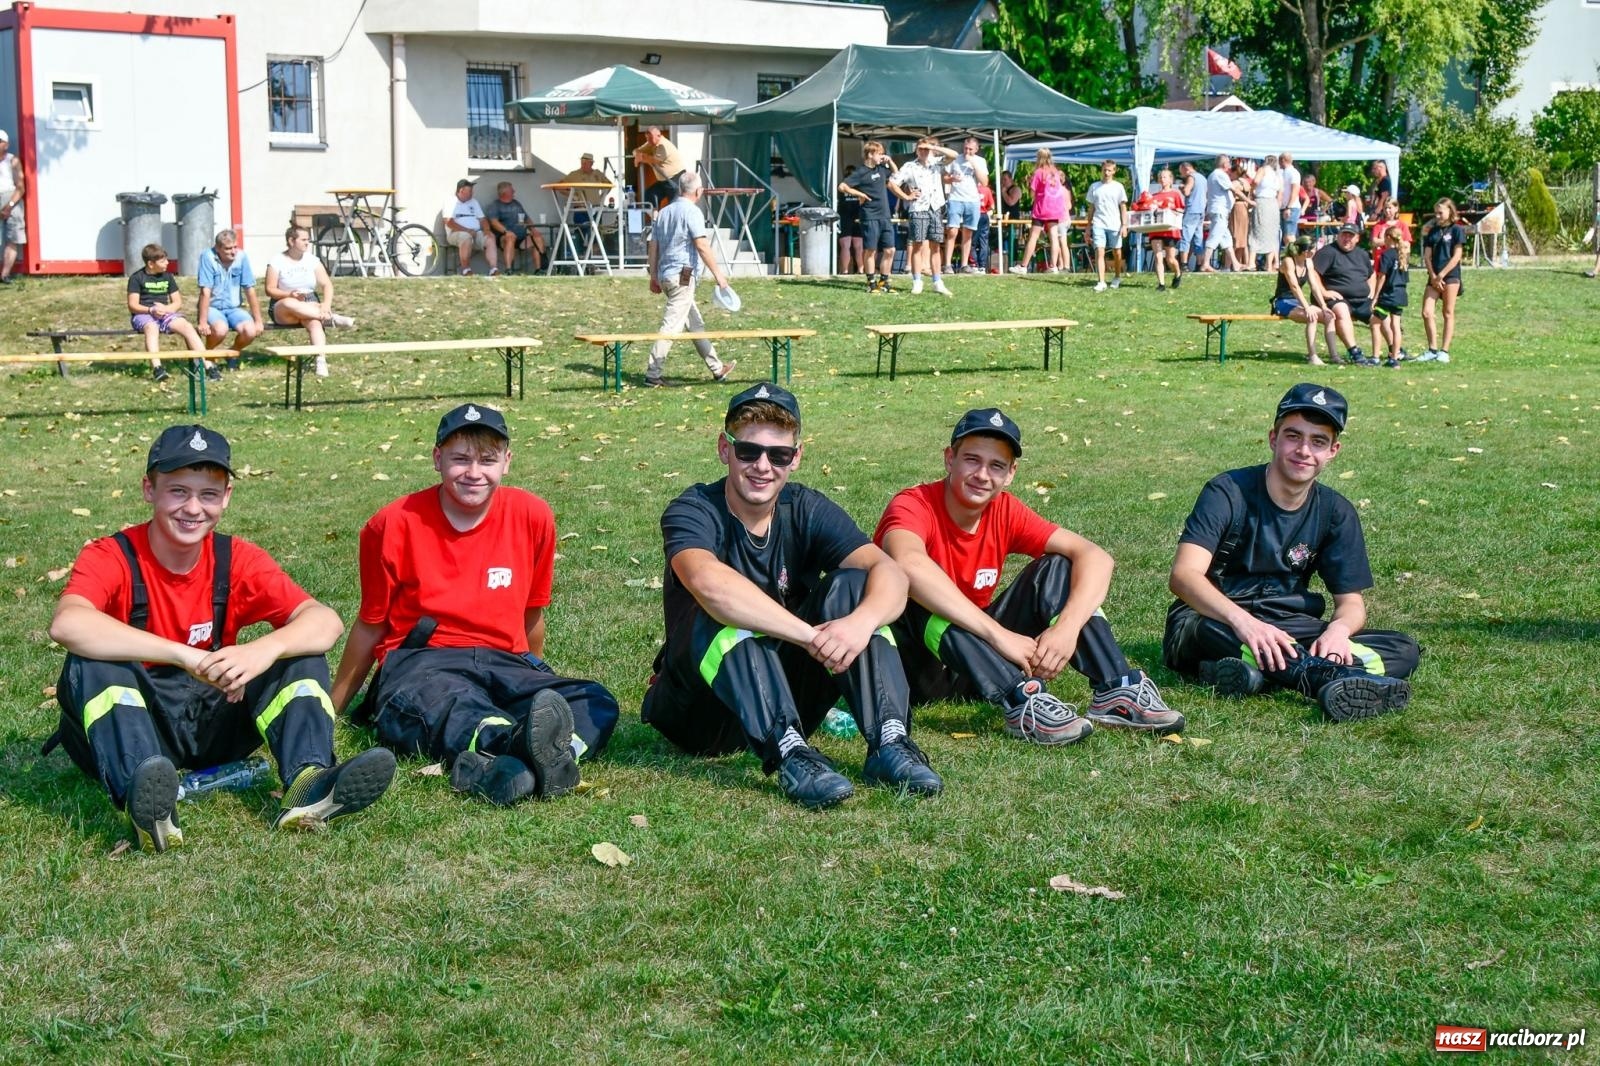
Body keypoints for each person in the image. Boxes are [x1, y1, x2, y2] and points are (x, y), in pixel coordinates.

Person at [48, 424, 396, 851]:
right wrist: (185, 656)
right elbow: (68, 624)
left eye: (208, 495)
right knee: (92, 661)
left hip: (213, 720)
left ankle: (309, 784)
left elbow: (324, 621)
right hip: (135, 730)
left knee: (299, 652)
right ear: (148, 490)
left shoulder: (237, 558)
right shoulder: (111, 555)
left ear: (226, 497)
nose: (193, 508)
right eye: (178, 491)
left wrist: (262, 650)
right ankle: (146, 802)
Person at [642, 384, 943, 808]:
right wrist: (810, 636)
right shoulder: (693, 509)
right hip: (703, 714)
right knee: (720, 611)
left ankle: (890, 743)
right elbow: (709, 583)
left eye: (778, 455)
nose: (763, 466)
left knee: (854, 588)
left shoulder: (805, 508)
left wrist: (858, 624)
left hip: (786, 689)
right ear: (724, 449)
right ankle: (791, 753)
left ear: (795, 458)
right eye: (748, 451)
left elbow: (890, 572)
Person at [330, 404, 620, 806]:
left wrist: (535, 683)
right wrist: (331, 709)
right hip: (424, 664)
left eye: (487, 459)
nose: (473, 472)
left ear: (507, 462)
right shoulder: (391, 524)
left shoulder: (533, 515)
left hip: (503, 659)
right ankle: (517, 748)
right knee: (454, 706)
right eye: (460, 459)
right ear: (437, 459)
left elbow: (532, 612)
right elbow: (371, 625)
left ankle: (539, 758)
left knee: (596, 700)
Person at [875, 408, 1185, 745]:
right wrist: (998, 635)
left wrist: (1066, 628)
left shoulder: (1004, 509)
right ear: (949, 459)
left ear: (1011, 474)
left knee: (1058, 567)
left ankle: (1116, 689)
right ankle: (1022, 700)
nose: (982, 475)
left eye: (996, 466)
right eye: (971, 460)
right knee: (915, 594)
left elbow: (1096, 557)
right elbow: (907, 563)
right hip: (917, 671)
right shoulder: (913, 504)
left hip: (975, 665)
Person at [1164, 384, 1418, 721]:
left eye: (1318, 441)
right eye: (1293, 436)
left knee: (1404, 648)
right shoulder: (1227, 491)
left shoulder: (1336, 511)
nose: (1304, 451)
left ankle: (1257, 675)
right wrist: (1246, 624)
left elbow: (1351, 604)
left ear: (1333, 451)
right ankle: (1323, 677)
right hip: (1217, 619)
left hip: (1288, 628)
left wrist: (1337, 633)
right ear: (1273, 438)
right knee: (1205, 631)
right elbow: (1183, 576)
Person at [644, 171, 736, 387]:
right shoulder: (692, 212)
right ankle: (652, 374)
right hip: (682, 277)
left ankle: (717, 368)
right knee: (671, 326)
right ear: (698, 191)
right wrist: (720, 277)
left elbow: (653, 246)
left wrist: (653, 275)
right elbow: (702, 245)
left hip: (667, 276)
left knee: (695, 325)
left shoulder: (664, 212)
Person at [265, 225, 352, 379]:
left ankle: (320, 361)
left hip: (310, 301)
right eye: (303, 239)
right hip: (283, 304)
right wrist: (289, 294)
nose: (307, 243)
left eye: (308, 239)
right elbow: (269, 289)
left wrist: (326, 305)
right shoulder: (277, 261)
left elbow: (327, 284)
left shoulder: (312, 260)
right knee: (289, 303)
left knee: (314, 323)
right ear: (291, 241)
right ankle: (332, 319)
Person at [127, 243, 215, 384]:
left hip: (165, 313)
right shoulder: (137, 278)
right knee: (151, 327)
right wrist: (151, 310)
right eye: (163, 261)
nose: (167, 263)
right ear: (150, 264)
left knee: (187, 326)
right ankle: (158, 368)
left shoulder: (167, 277)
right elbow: (133, 305)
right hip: (143, 314)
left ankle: (208, 365)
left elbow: (177, 302)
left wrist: (167, 309)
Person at [1309, 222, 1378, 366]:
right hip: (1336, 299)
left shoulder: (1362, 254)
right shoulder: (1328, 252)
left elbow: (1372, 274)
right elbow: (1313, 273)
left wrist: (1371, 290)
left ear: (1357, 238)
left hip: (1362, 299)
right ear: (1338, 236)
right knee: (1341, 310)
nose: (1346, 239)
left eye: (1350, 236)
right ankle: (1354, 352)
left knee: (1383, 312)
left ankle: (1394, 352)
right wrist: (1324, 292)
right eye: (1343, 235)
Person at [195, 229, 264, 370]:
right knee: (220, 330)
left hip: (233, 307)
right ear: (218, 248)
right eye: (228, 249)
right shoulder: (207, 257)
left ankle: (232, 353)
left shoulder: (242, 257)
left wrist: (258, 321)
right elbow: (205, 291)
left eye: (235, 247)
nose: (233, 252)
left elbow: (249, 289)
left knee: (250, 331)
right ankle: (207, 356)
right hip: (212, 307)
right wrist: (202, 322)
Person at [894, 138, 954, 297]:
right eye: (921, 148)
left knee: (935, 245)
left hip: (935, 207)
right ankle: (917, 281)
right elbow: (892, 183)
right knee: (917, 245)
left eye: (926, 149)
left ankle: (937, 281)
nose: (924, 151)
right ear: (916, 150)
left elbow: (953, 155)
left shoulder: (936, 162)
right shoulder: (909, 166)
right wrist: (906, 196)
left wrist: (934, 147)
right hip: (918, 208)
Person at [838, 141, 898, 294]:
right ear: (870, 154)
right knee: (870, 250)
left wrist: (889, 160)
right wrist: (860, 194)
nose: (882, 156)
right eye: (879, 153)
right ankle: (871, 282)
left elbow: (896, 174)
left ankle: (884, 281)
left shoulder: (882, 169)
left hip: (885, 215)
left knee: (890, 250)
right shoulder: (860, 172)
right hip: (869, 215)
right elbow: (842, 186)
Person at [1272, 236, 1337, 366]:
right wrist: (1307, 307)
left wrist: (1323, 306)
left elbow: (1314, 286)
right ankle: (1312, 356)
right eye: (1313, 249)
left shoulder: (1308, 262)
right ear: (1305, 251)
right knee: (1311, 317)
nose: (1315, 252)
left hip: (1297, 302)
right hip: (1282, 301)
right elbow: (1294, 287)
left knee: (1329, 316)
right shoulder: (1288, 261)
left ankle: (1334, 356)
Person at [1416, 197, 1465, 364]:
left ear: (1450, 211)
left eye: (1440, 212)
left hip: (1450, 276)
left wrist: (1442, 275)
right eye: (1435, 212)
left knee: (1447, 312)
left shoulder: (1457, 230)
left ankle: (1444, 351)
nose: (1437, 215)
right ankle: (1432, 349)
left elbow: (1457, 255)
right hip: (1434, 277)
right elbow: (1427, 256)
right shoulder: (1433, 231)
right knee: (1426, 312)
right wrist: (1433, 276)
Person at [1012, 149, 1068, 274]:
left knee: (1034, 236)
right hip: (1054, 208)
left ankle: (1023, 266)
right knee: (1054, 236)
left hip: (1041, 208)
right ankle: (1054, 266)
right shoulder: (1056, 172)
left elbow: (1032, 193)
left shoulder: (1039, 172)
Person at [942, 136, 989, 275]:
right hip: (956, 198)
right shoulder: (956, 158)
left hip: (972, 200)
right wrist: (951, 179)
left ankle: (964, 264)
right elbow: (944, 177)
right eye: (965, 148)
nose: (967, 151)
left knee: (968, 233)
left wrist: (973, 164)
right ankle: (948, 264)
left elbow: (985, 182)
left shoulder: (980, 161)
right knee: (952, 231)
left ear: (976, 149)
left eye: (970, 149)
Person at [1134, 167, 1184, 291]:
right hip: (1156, 229)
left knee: (1170, 259)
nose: (1162, 179)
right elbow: (1145, 208)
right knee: (1157, 256)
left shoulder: (1175, 194)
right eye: (1161, 177)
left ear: (1171, 180)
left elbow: (1181, 210)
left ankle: (1177, 273)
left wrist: (1174, 211)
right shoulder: (1154, 196)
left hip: (1170, 230)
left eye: (1165, 177)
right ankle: (1161, 284)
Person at [1369, 225, 1410, 367]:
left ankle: (1375, 357)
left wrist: (1375, 297)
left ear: (1387, 237)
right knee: (1396, 326)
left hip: (1388, 295)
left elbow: (1382, 277)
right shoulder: (1403, 254)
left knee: (1375, 322)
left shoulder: (1386, 255)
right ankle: (1394, 358)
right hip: (1400, 294)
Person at [485, 181, 546, 274]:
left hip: (521, 237)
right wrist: (506, 231)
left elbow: (526, 218)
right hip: (504, 238)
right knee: (510, 237)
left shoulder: (516, 204)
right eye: (511, 190)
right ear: (504, 193)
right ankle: (509, 270)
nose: (514, 191)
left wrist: (533, 229)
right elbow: (494, 222)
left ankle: (539, 269)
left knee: (538, 237)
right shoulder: (495, 205)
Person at [1086, 159, 1129, 291]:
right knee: (1099, 250)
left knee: (1116, 252)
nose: (1106, 172)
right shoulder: (1094, 186)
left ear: (1114, 171)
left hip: (1114, 224)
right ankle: (1101, 281)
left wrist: (1124, 225)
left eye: (1109, 170)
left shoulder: (1118, 187)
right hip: (1099, 223)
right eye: (1104, 170)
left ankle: (1116, 276)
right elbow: (1091, 208)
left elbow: (1123, 207)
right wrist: (1088, 226)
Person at [444, 178, 498, 277]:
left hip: (476, 232)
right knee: (465, 236)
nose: (472, 193)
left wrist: (487, 230)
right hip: (456, 233)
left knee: (490, 237)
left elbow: (482, 219)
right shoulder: (450, 202)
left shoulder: (474, 202)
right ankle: (466, 270)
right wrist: (467, 231)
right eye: (470, 191)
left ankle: (493, 269)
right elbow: (449, 222)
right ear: (461, 191)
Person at [1201, 154, 1241, 273]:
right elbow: (1233, 189)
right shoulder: (1220, 175)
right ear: (1224, 164)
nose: (1230, 165)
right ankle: (1205, 263)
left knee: (1226, 239)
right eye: (1229, 162)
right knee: (1215, 236)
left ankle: (1235, 263)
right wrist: (1249, 201)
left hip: (1220, 211)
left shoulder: (1213, 175)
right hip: (1220, 211)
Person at [633, 125, 687, 208]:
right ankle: (655, 218)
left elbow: (655, 160)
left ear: (659, 135)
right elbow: (636, 151)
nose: (649, 141)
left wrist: (641, 157)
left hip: (675, 179)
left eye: (651, 138)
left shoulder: (663, 145)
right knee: (649, 195)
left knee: (674, 205)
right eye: (647, 138)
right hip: (664, 180)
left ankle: (672, 220)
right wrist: (638, 155)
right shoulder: (651, 143)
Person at [558, 151, 611, 227]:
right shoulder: (575, 174)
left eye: (585, 163)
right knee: (581, 232)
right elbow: (559, 186)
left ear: (591, 163)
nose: (583, 165)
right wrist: (573, 196)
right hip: (580, 209)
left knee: (596, 233)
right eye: (582, 163)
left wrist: (602, 197)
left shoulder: (597, 173)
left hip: (595, 209)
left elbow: (609, 185)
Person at [1249, 155, 1282, 274]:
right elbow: (1280, 191)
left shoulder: (1262, 170)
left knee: (1256, 231)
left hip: (1262, 201)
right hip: (1273, 204)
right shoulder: (1276, 174)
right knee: (1272, 233)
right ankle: (1269, 265)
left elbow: (1255, 181)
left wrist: (1252, 190)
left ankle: (1251, 262)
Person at [0, 129, 23, 285]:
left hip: (10, 196)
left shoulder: (12, 160)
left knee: (12, 237)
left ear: (6, 144)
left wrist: (9, 206)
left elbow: (20, 187)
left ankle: (5, 275)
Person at [836, 164, 864, 274]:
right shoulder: (860, 188)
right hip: (857, 217)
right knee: (858, 246)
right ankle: (861, 270)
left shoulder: (840, 186)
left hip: (845, 217)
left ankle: (845, 271)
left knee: (845, 246)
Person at [1179, 160, 1206, 272]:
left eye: (1182, 172)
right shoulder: (1203, 178)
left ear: (1187, 169)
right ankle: (1199, 264)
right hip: (1201, 210)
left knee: (1186, 237)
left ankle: (1183, 264)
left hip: (1192, 209)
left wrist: (1182, 187)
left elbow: (1187, 191)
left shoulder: (1191, 177)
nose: (1182, 175)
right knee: (1198, 238)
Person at [1230, 159, 1255, 271]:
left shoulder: (1235, 183)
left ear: (1235, 172)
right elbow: (1250, 195)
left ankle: (1232, 263)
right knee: (1242, 237)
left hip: (1237, 207)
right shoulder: (1246, 182)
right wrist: (1248, 203)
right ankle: (1239, 262)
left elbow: (1236, 192)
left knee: (1235, 235)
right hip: (1244, 208)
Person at [1279, 151, 1303, 245]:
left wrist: (1288, 207)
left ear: (1283, 160)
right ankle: (1288, 257)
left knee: (1289, 236)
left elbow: (1295, 190)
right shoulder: (1283, 173)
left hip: (1291, 208)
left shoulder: (1294, 173)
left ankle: (1295, 258)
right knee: (1285, 237)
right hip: (1283, 207)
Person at [973, 174, 995, 272]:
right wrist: (986, 209)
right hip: (984, 215)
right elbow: (992, 206)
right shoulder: (987, 190)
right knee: (984, 241)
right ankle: (982, 265)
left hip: (974, 215)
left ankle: (973, 264)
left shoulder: (971, 188)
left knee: (971, 241)